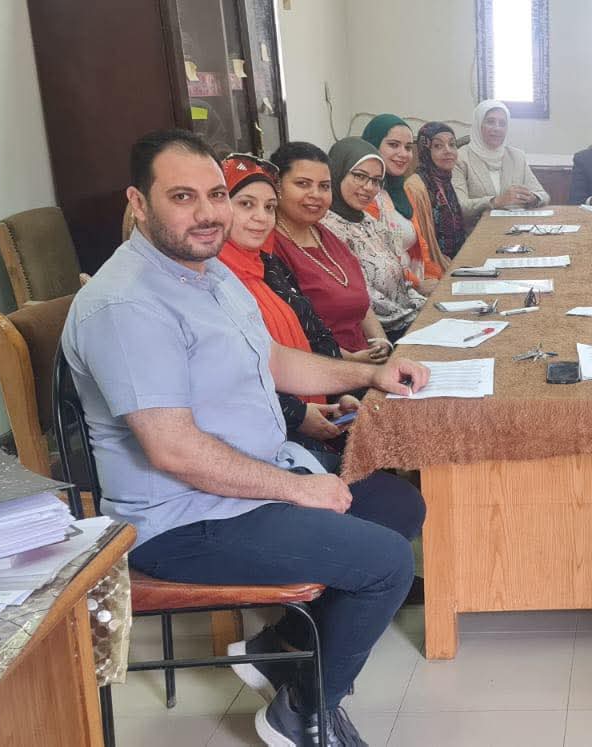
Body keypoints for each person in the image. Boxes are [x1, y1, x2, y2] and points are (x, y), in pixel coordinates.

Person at [62, 129, 430, 746]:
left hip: (246, 482)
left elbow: (274, 360)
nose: (208, 212)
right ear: (138, 202)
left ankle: (279, 651)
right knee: (386, 562)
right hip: (182, 520)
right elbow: (172, 449)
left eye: (215, 194)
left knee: (397, 505)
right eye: (182, 196)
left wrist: (370, 374)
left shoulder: (208, 272)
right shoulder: (125, 304)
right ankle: (304, 713)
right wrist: (297, 489)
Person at [217, 154, 359, 450]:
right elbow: (231, 376)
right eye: (246, 204)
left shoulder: (268, 265)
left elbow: (315, 331)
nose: (261, 217)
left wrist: (338, 393)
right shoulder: (211, 278)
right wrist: (298, 415)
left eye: (269, 207)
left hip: (319, 411)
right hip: (267, 439)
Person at [268, 141, 394, 364]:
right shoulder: (271, 249)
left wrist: (381, 342)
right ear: (277, 186)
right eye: (303, 184)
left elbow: (361, 301)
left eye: (324, 186)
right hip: (326, 368)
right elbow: (295, 332)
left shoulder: (325, 234)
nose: (315, 194)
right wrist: (353, 360)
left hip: (367, 360)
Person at [320, 137, 426, 341]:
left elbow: (400, 283)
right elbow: (364, 299)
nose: (369, 187)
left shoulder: (368, 221)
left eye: (376, 180)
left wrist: (427, 307)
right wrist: (415, 318)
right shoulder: (327, 229)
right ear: (336, 173)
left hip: (406, 320)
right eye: (360, 176)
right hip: (380, 337)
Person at [360, 113, 443, 292]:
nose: (403, 154)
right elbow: (380, 261)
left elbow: (420, 246)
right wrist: (418, 284)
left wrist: (433, 277)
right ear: (372, 145)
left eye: (408, 147)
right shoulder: (363, 197)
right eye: (393, 145)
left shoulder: (401, 192)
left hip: (416, 285)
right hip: (393, 292)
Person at [454, 100, 550, 222]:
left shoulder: (516, 156)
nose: (497, 128)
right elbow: (460, 206)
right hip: (478, 229)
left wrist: (533, 198)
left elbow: (543, 195)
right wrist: (496, 201)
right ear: (478, 124)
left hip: (515, 226)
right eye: (490, 122)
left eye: (502, 123)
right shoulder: (460, 158)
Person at [414, 121, 471, 261]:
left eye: (452, 144)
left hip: (455, 261)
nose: (448, 151)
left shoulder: (446, 182)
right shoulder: (416, 187)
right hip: (433, 267)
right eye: (438, 146)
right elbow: (421, 244)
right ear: (425, 150)